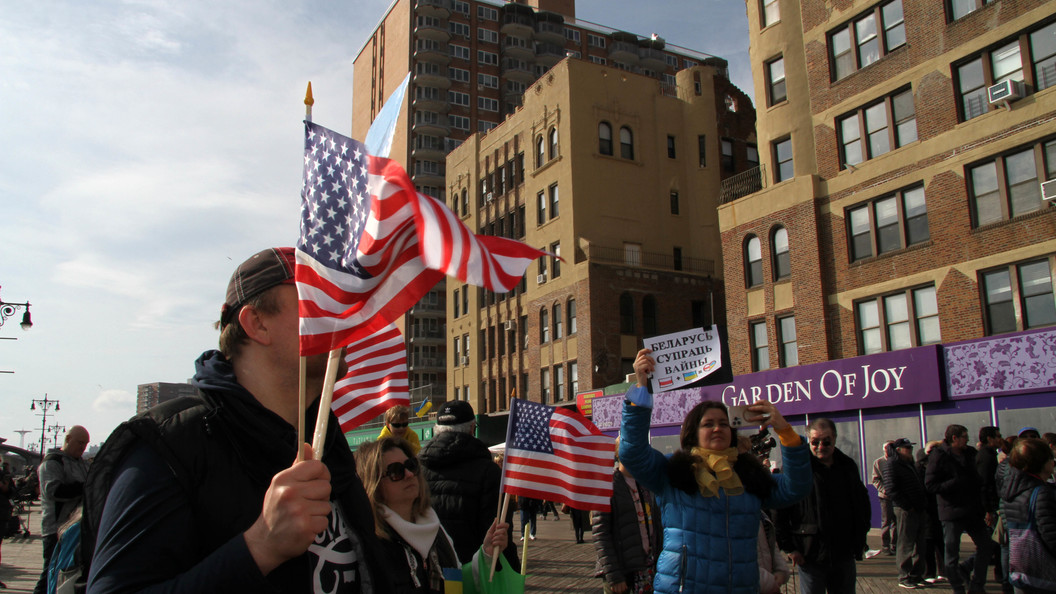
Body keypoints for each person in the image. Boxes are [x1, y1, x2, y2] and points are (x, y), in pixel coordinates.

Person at [85, 247, 392, 593]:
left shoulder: (332, 450)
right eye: (317, 298)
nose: (344, 314)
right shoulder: (172, 446)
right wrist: (261, 546)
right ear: (257, 323)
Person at [619, 348, 812, 593]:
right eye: (708, 424)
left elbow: (796, 488)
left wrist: (785, 431)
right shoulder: (673, 472)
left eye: (723, 423)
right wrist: (641, 387)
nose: (717, 428)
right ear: (692, 433)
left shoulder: (748, 476)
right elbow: (632, 453)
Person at [355, 438, 509, 593]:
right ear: (373, 483)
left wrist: (486, 554)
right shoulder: (372, 546)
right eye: (396, 471)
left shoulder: (435, 528)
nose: (409, 474)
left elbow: (456, 583)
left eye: (411, 465)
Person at [417, 400, 518, 568]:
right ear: (472, 428)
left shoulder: (415, 470)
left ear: (437, 429)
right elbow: (498, 535)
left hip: (431, 571)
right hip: (475, 571)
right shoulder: (489, 472)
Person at [776, 418, 871, 594]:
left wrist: (860, 537)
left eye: (826, 441)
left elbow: (861, 503)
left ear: (834, 438)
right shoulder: (797, 468)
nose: (821, 446)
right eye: (815, 442)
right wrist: (789, 547)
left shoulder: (847, 466)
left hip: (843, 551)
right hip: (810, 552)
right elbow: (781, 510)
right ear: (808, 441)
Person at [926, 424, 996, 594]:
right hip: (951, 512)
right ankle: (958, 587)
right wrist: (955, 482)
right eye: (964, 436)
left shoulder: (970, 453)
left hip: (972, 510)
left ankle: (977, 585)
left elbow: (980, 478)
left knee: (987, 547)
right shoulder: (939, 456)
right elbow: (930, 485)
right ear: (954, 438)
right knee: (951, 554)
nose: (968, 440)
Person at [591, 440, 662, 594]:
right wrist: (615, 576)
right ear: (619, 453)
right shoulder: (607, 485)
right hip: (622, 573)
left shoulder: (647, 484)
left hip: (649, 570)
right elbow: (600, 534)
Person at [34, 425, 90, 594]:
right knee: (49, 573)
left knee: (68, 573)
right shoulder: (52, 463)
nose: (83, 447)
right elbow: (53, 491)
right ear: (68, 439)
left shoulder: (82, 464)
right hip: (55, 529)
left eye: (86, 444)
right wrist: (84, 487)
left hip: (75, 529)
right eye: (80, 443)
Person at [998, 437, 1056, 594]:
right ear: (1041, 462)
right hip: (1044, 573)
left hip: (1021, 569)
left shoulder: (1012, 491)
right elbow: (1050, 533)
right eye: (1051, 459)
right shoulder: (1041, 492)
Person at [883, 438, 929, 589]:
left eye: (910, 447)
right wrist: (907, 506)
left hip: (918, 508)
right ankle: (904, 576)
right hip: (905, 510)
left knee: (919, 543)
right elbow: (891, 489)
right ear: (898, 450)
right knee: (906, 543)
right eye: (907, 448)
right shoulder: (892, 464)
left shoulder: (909, 464)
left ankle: (917, 574)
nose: (910, 450)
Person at [918, 441, 947, 584]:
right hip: (928, 508)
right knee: (929, 541)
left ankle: (943, 571)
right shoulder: (921, 466)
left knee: (940, 540)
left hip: (939, 507)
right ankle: (930, 572)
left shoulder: (941, 465)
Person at [872, 441, 897, 557]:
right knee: (886, 521)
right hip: (885, 497)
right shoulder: (879, 462)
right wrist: (885, 490)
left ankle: (895, 544)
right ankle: (885, 546)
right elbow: (875, 480)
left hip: (897, 496)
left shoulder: (898, 461)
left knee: (896, 522)